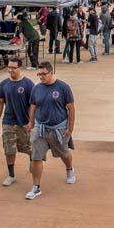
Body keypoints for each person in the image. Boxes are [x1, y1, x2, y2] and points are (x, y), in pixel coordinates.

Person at [25, 61, 76, 200]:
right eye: (39, 74)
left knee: (64, 153)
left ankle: (69, 169)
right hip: (40, 128)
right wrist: (31, 123)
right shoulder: (37, 88)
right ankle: (36, 187)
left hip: (58, 128)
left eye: (43, 74)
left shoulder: (63, 87)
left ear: (51, 72)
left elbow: (70, 108)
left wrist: (70, 128)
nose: (41, 77)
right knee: (36, 156)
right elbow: (33, 106)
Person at [0, 58, 34, 186]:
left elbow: (33, 105)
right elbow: (0, 102)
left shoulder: (28, 84)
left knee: (29, 147)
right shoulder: (4, 84)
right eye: (9, 67)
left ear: (20, 68)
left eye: (13, 68)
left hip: (24, 122)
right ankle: (11, 175)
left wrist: (32, 121)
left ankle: (33, 163)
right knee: (9, 149)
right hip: (8, 121)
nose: (11, 70)